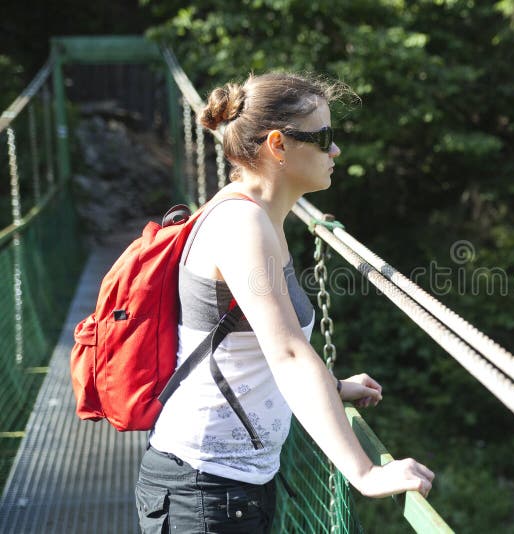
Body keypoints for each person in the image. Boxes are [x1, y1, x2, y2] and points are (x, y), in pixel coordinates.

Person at [135, 72, 434, 533]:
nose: (335, 151)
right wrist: (366, 472)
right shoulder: (242, 225)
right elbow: (288, 352)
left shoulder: (266, 216)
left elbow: (249, 346)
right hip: (203, 491)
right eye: (325, 138)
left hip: (231, 487)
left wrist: (332, 387)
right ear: (278, 145)